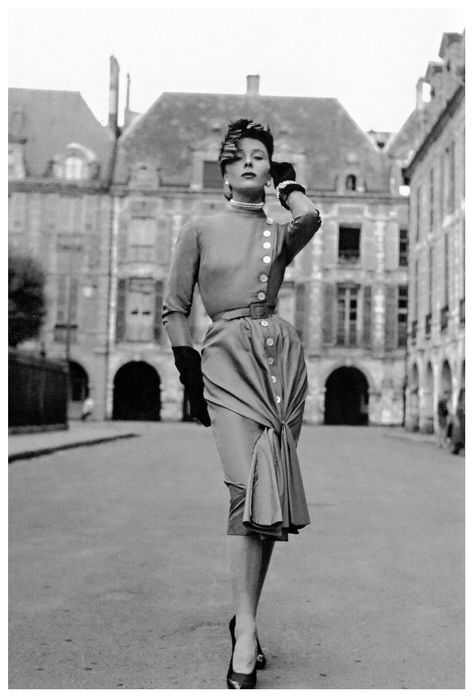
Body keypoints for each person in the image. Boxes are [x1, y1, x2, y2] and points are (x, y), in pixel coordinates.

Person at [163, 119, 322, 689]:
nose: (253, 162)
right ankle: (248, 631)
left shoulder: (278, 229)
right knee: (242, 490)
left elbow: (310, 218)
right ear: (226, 170)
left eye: (264, 157)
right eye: (243, 157)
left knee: (268, 496)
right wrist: (187, 367)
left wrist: (288, 185)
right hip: (225, 360)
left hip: (279, 364)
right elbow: (175, 307)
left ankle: (245, 623)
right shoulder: (200, 228)